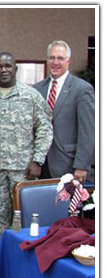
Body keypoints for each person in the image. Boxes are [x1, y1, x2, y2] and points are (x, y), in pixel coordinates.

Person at [0, 52, 53, 278]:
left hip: (24, 170)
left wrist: (37, 160)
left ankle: (25, 264)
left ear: (15, 68)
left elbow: (45, 129)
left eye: (8, 65)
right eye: (0, 66)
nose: (4, 69)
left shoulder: (30, 95)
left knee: (24, 216)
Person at [33, 40, 95, 183]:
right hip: (40, 164)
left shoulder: (82, 89)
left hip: (68, 164)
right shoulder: (37, 89)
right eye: (51, 58)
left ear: (68, 61)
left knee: (65, 206)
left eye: (60, 58)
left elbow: (87, 131)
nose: (55, 62)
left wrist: (81, 166)